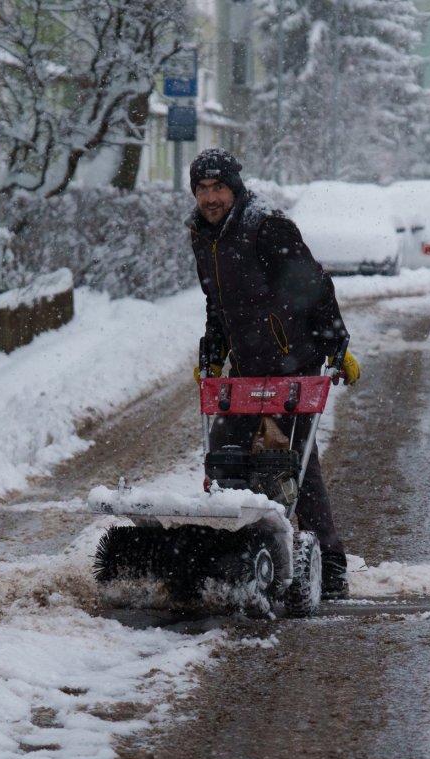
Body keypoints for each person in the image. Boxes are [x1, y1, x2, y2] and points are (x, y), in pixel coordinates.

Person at [185, 147, 361, 599]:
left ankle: (331, 565)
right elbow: (217, 304)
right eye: (202, 189)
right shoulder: (204, 236)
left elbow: (314, 285)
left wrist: (336, 347)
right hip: (246, 365)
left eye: (218, 187)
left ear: (235, 188)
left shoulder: (265, 227)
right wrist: (214, 353)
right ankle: (242, 555)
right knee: (225, 455)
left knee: (287, 462)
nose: (210, 197)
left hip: (292, 362)